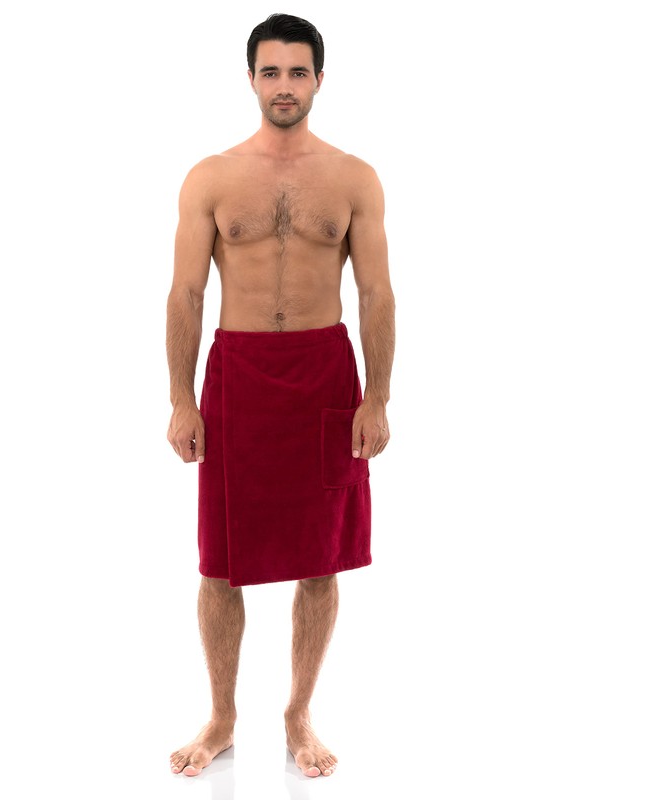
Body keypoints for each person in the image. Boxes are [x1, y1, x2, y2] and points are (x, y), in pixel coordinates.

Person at [165, 13, 395, 779]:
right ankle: (222, 716)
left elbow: (377, 294)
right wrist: (181, 399)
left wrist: (378, 397)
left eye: (299, 72)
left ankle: (298, 714)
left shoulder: (354, 178)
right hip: (239, 376)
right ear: (251, 79)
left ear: (320, 80)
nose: (285, 86)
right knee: (218, 563)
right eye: (272, 72)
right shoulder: (211, 177)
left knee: (320, 561)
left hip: (324, 374)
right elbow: (186, 294)